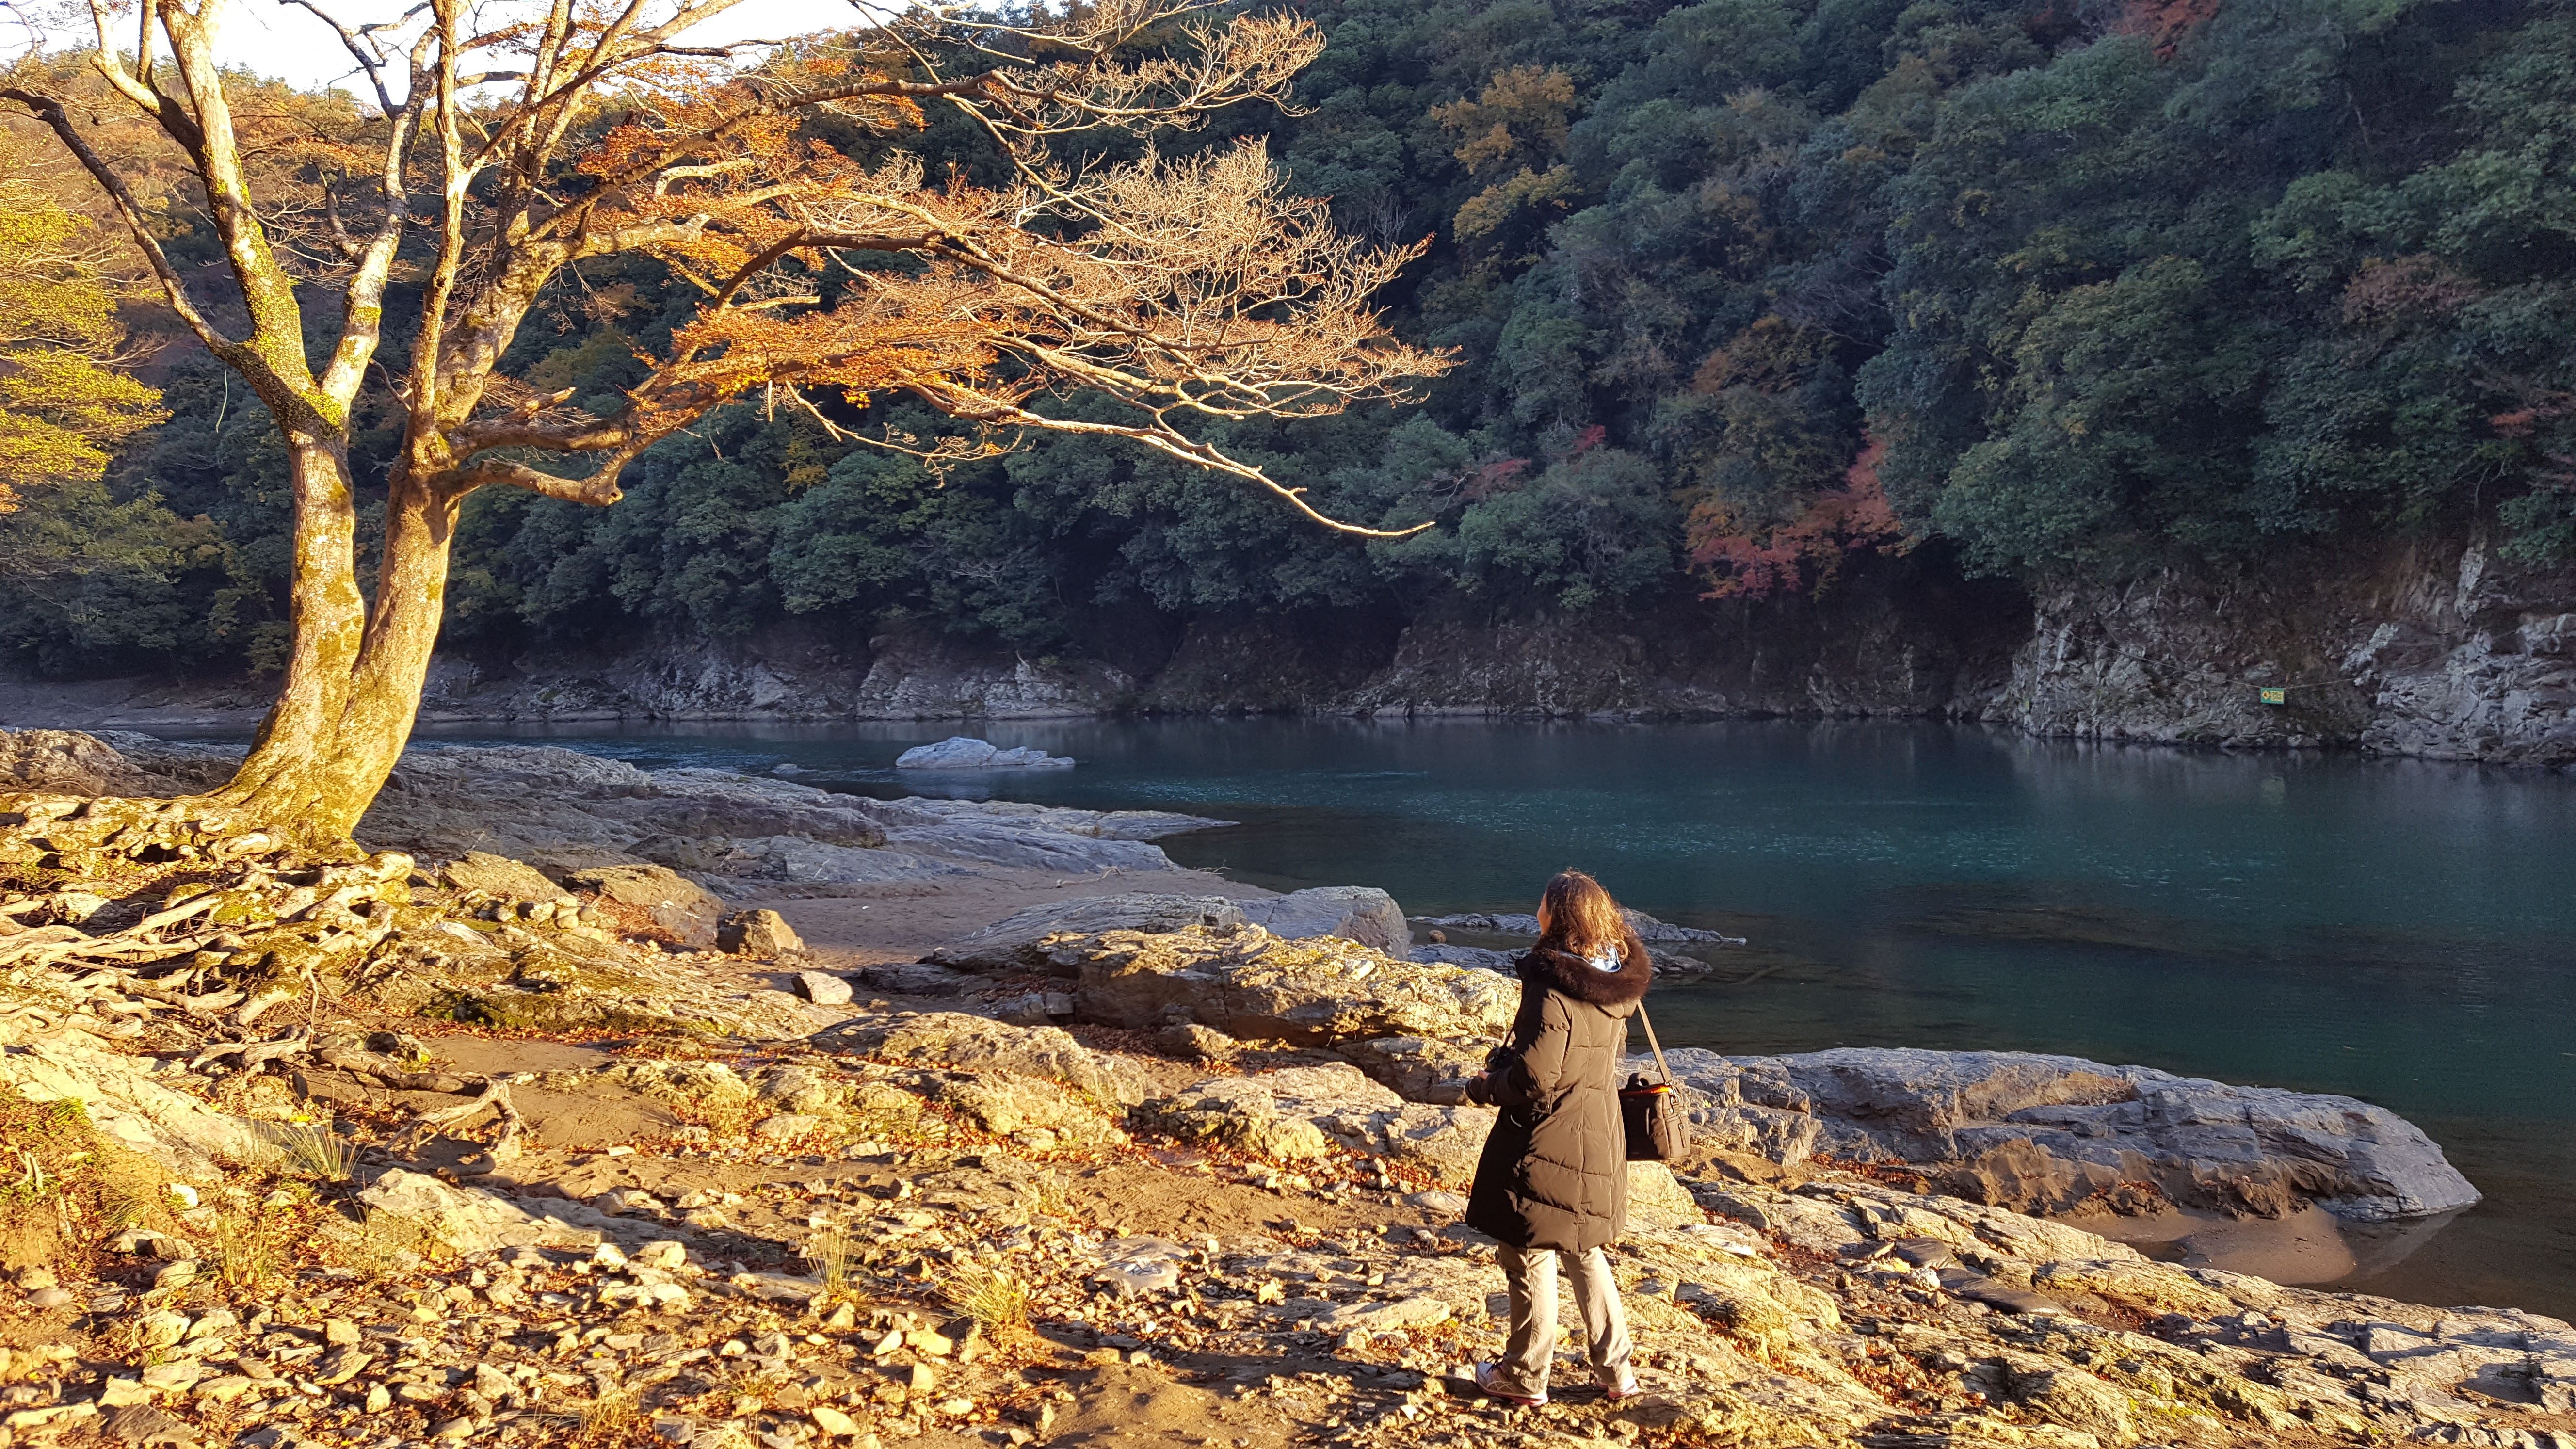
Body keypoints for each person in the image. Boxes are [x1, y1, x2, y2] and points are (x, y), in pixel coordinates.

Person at [1461, 869, 1651, 1407]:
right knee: (1585, 1250)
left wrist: (1487, 1085)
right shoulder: (1614, 980)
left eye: (1542, 903)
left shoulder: (1552, 986)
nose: (1536, 911)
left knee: (1528, 1251)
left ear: (1558, 916)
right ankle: (1616, 1372)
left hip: (1546, 1135)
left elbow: (1536, 1077)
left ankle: (1523, 1375)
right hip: (1598, 1128)